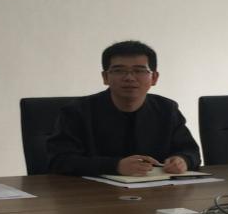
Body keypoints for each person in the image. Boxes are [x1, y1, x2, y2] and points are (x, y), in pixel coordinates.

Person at [46, 40, 201, 176]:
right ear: (105, 77)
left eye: (139, 70)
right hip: (92, 194)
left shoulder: (167, 109)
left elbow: (191, 152)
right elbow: (59, 161)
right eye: (119, 70)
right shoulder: (77, 111)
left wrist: (183, 160)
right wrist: (116, 166)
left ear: (154, 78)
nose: (129, 78)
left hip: (156, 191)